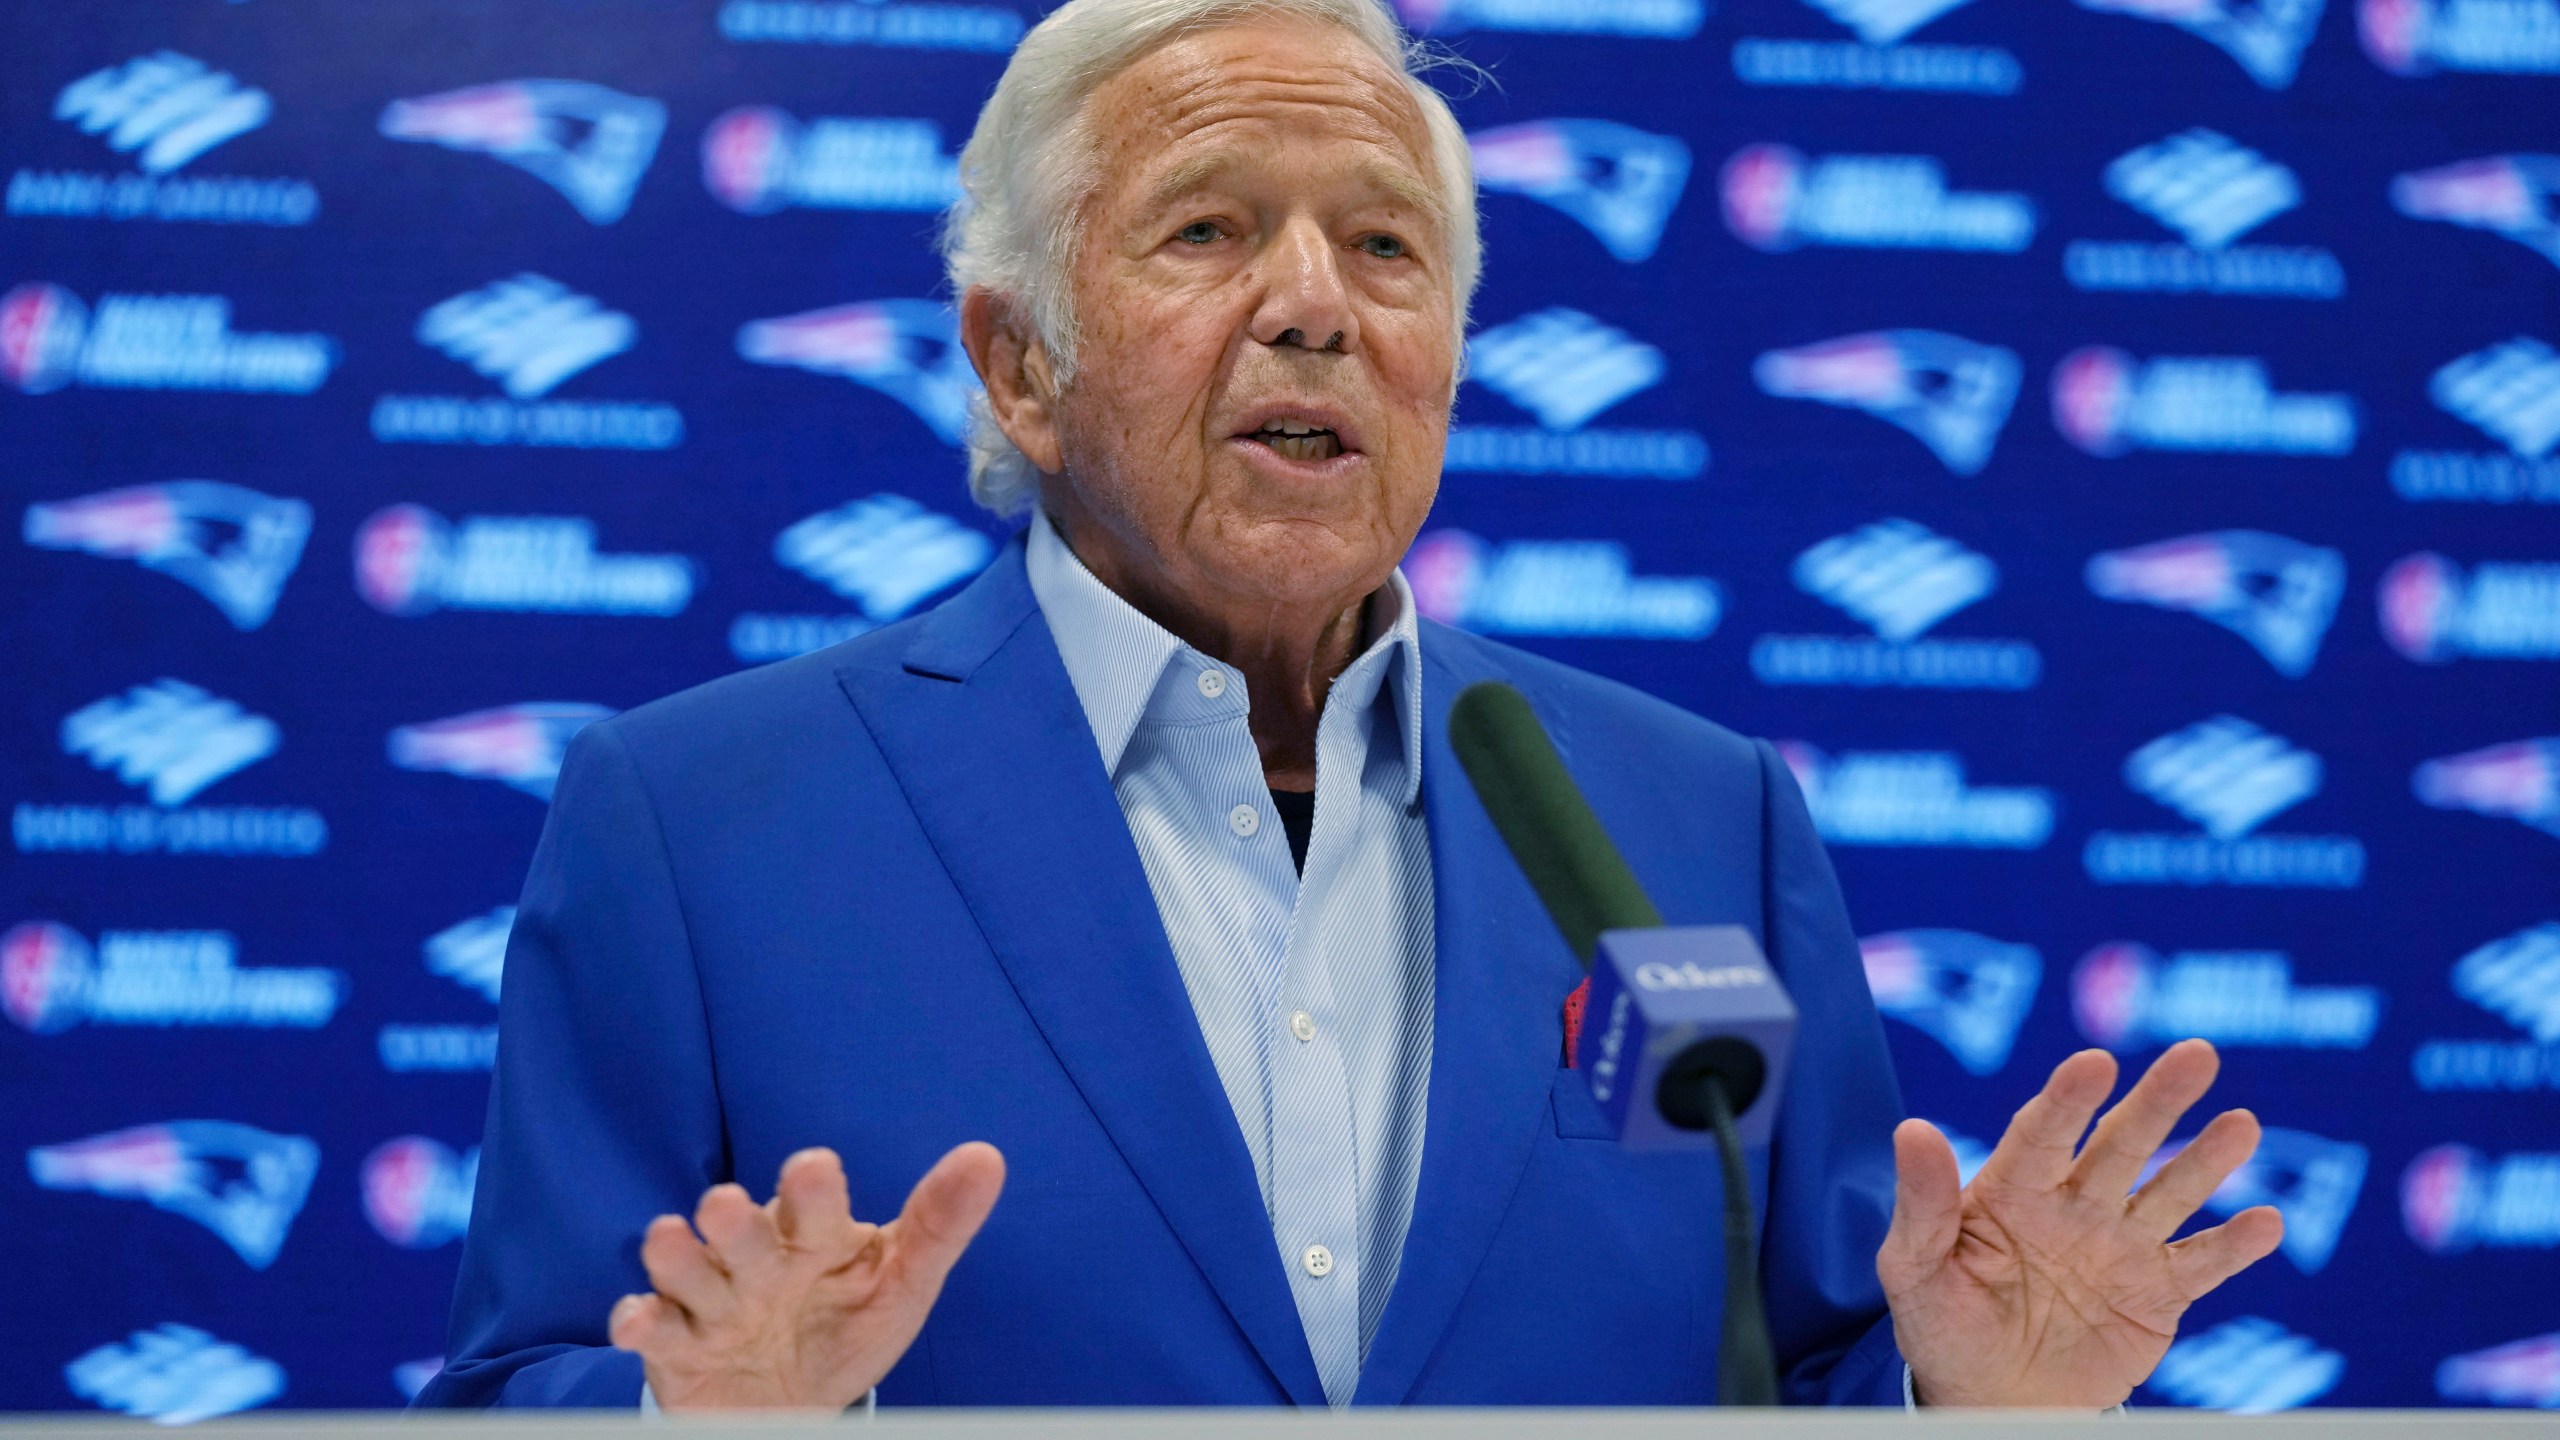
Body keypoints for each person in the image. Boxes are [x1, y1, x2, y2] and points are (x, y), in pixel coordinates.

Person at [416, 0, 2282, 1412]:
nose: (1316, 307)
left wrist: (1961, 1404)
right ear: (1020, 364)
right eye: (1210, 233)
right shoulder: (703, 818)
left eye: (1386, 248)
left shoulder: (1693, 817)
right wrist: (689, 1420)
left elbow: (1776, 1378)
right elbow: (512, 1396)